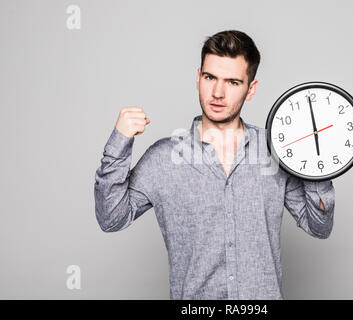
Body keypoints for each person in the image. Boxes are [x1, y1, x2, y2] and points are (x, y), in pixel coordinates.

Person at [94, 30, 335, 300]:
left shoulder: (276, 152)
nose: (218, 93)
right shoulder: (163, 158)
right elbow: (111, 219)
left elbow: (319, 227)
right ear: (198, 78)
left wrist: (317, 163)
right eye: (210, 78)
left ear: (251, 89)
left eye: (232, 82)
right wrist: (119, 142)